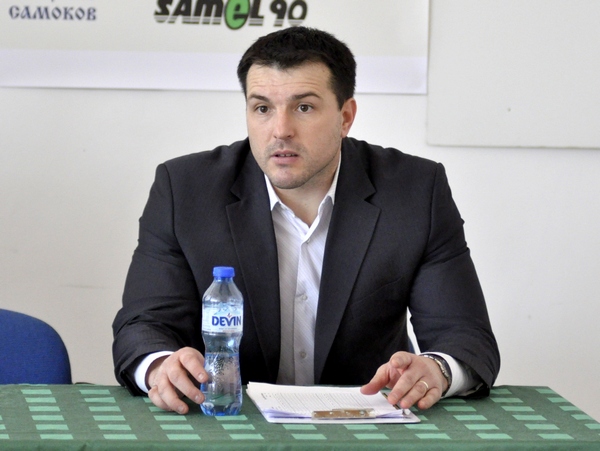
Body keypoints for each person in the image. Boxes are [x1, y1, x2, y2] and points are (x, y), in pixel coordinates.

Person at [112, 26, 500, 415]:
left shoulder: (414, 192)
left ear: (345, 117)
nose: (280, 130)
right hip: (229, 419)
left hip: (366, 422)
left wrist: (438, 370)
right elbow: (143, 325)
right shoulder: (186, 190)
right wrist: (160, 366)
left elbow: (465, 335)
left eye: (304, 108)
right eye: (262, 108)